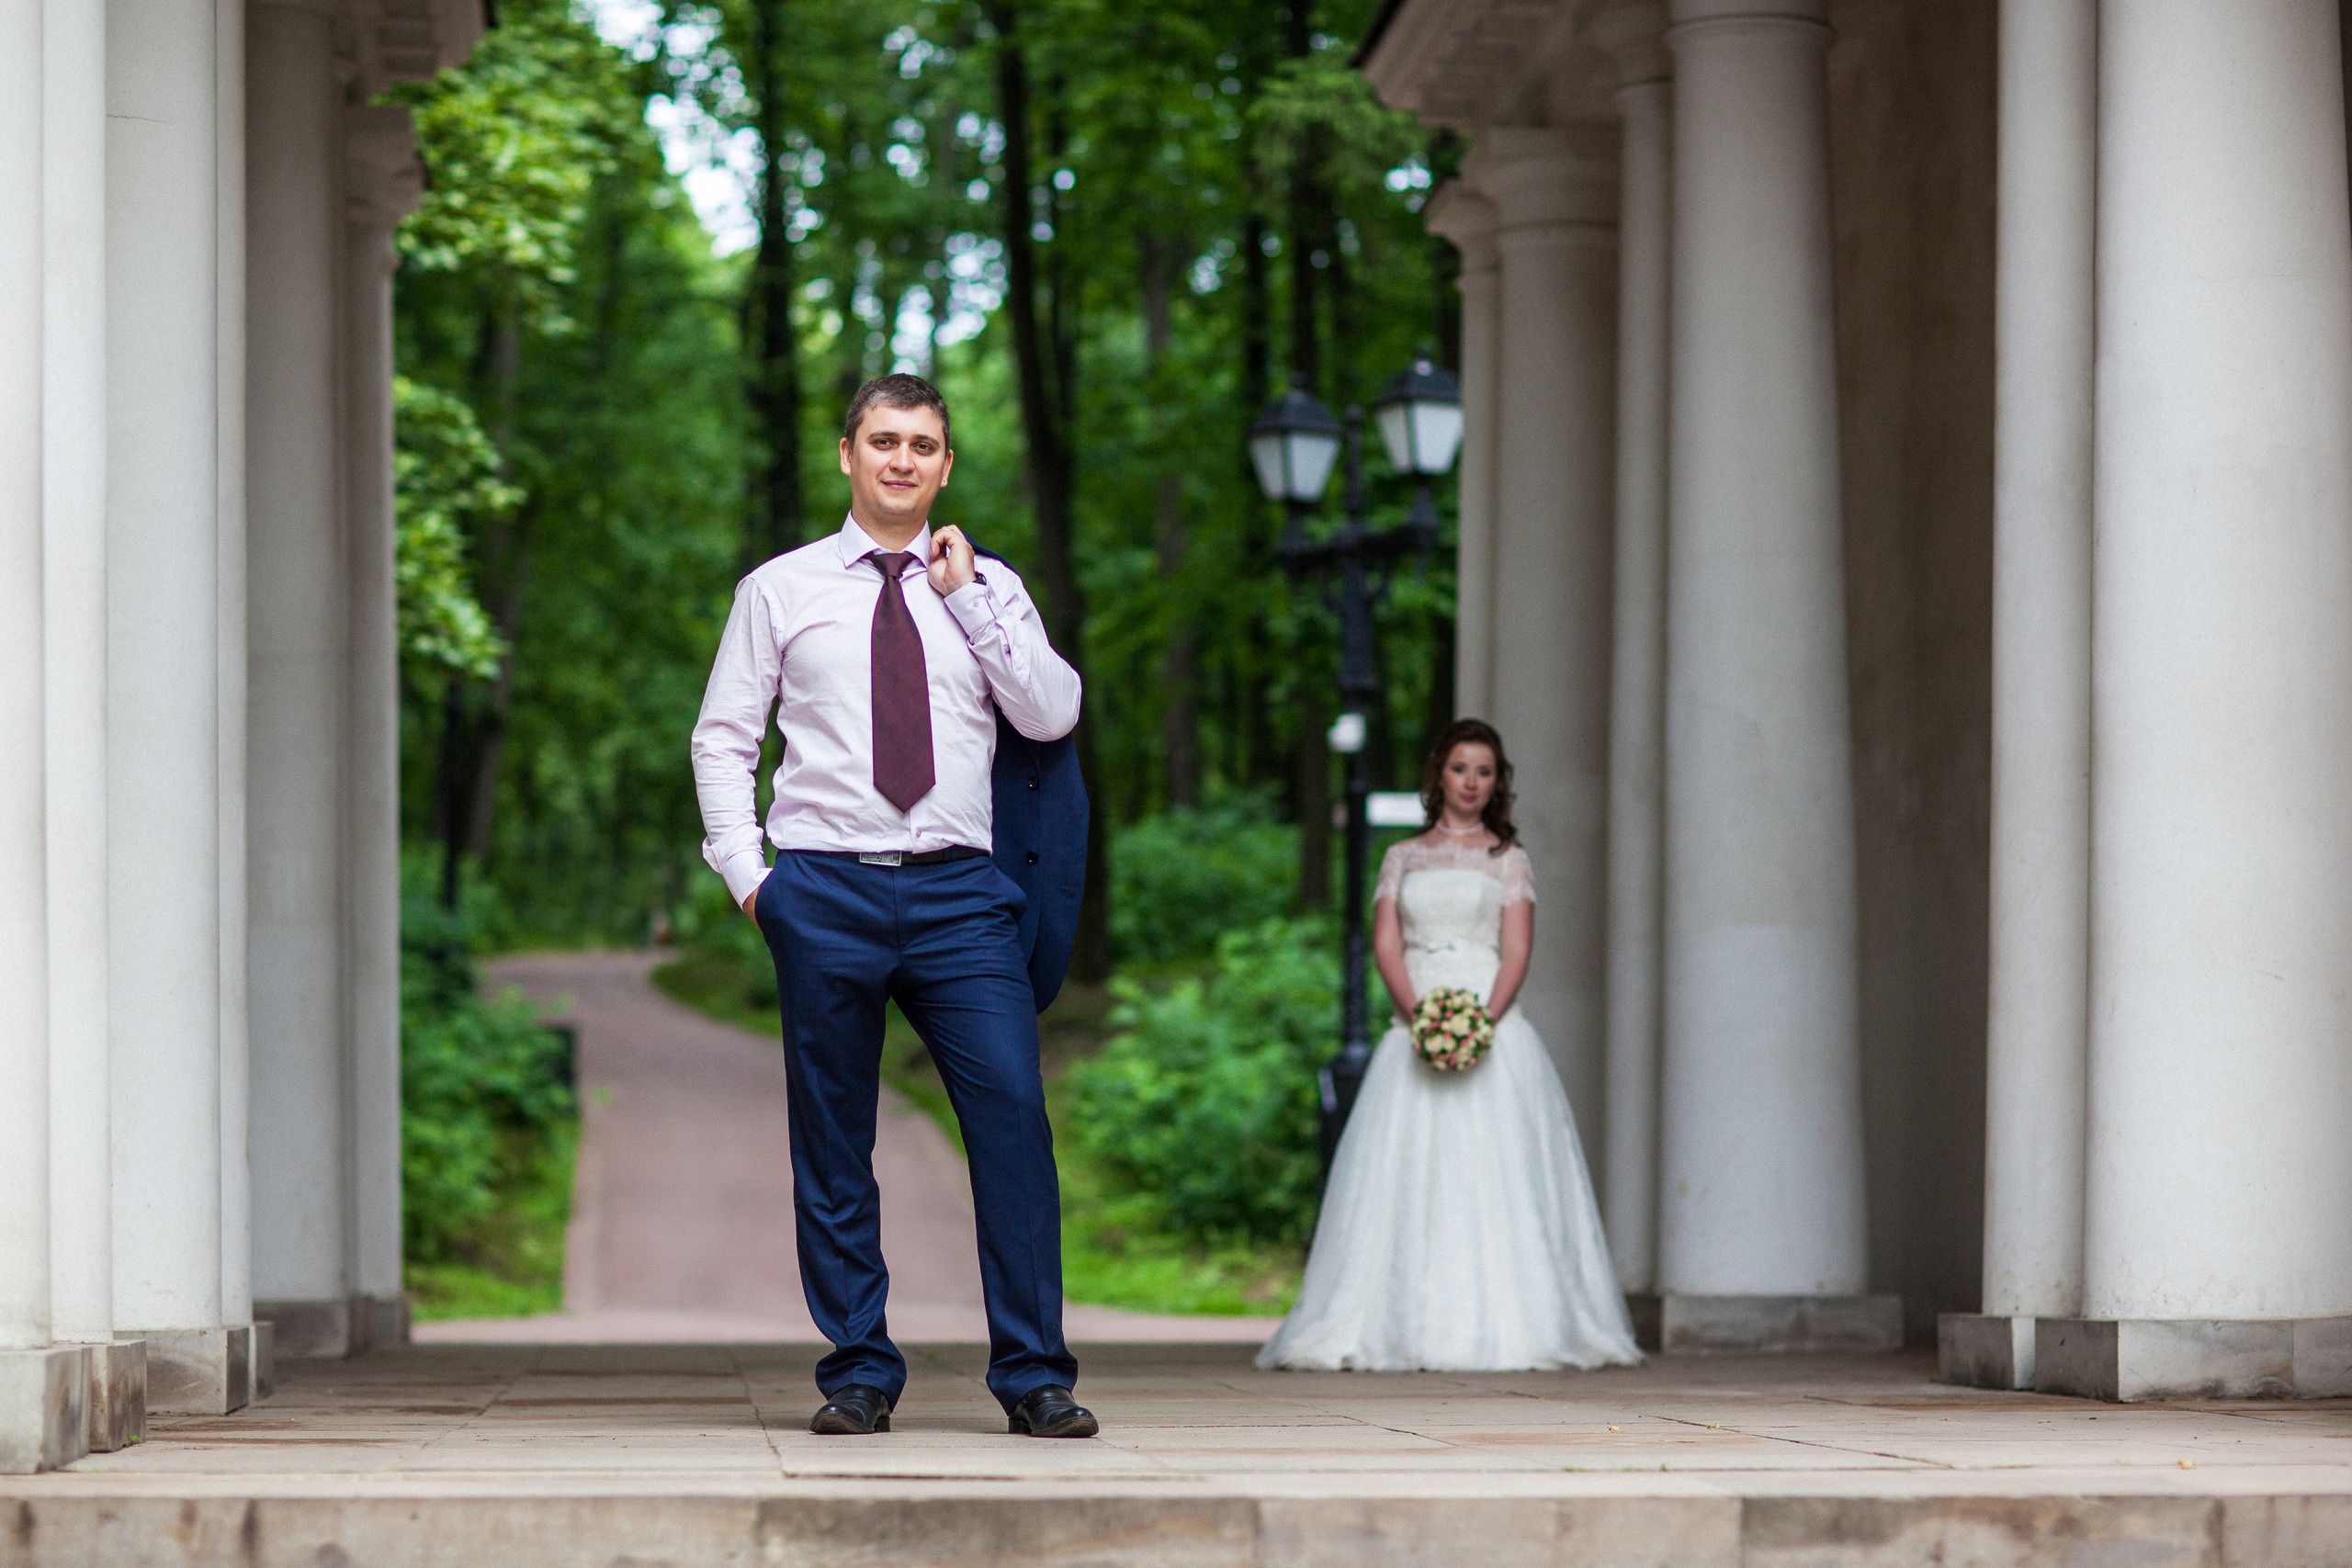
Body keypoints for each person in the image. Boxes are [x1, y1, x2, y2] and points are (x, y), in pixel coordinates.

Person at [690, 374, 1099, 1438]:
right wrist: (753, 880)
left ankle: (1034, 1375)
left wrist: (966, 601)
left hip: (963, 895)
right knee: (833, 1140)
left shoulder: (988, 586)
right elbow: (723, 739)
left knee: (1012, 1120)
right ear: (848, 454)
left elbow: (1052, 713)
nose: (902, 460)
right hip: (822, 887)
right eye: (884, 441)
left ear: (947, 466)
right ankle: (859, 1369)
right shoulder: (776, 590)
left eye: (923, 444)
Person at [1256, 718, 1643, 1372]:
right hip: (1416, 1021)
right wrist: (1421, 1019)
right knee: (1401, 1178)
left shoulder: (1507, 859)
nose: (1471, 781)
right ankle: (1394, 1322)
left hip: (1493, 1021)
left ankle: (1516, 1323)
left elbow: (1517, 947)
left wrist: (1482, 1022)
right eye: (1461, 767)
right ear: (1439, 773)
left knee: (1499, 1177)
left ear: (1498, 783)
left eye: (1485, 771)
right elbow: (1385, 943)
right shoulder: (1402, 856)